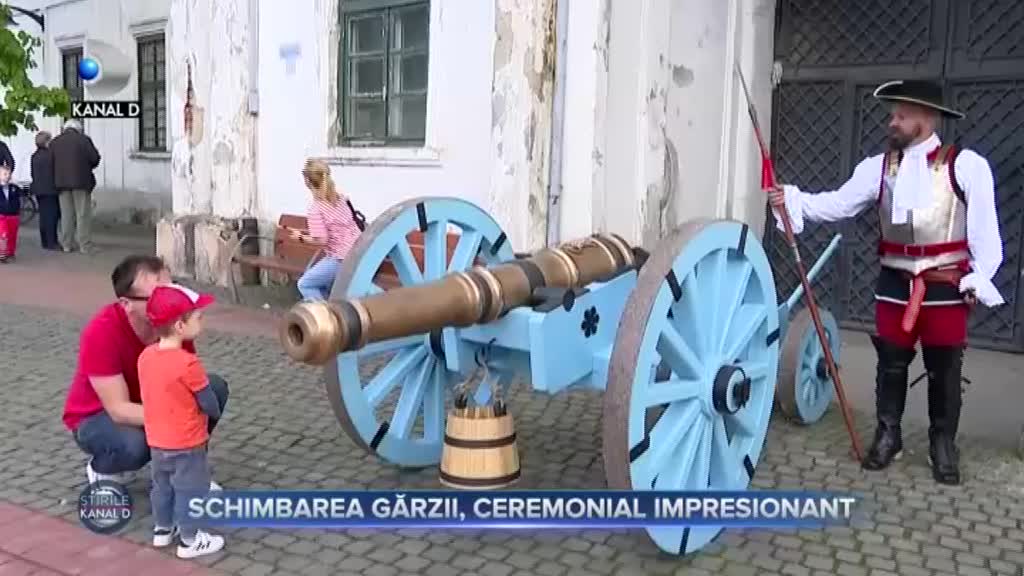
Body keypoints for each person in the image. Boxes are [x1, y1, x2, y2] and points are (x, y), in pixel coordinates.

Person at [767, 79, 1004, 485]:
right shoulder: (878, 167)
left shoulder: (966, 166)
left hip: (946, 283)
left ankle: (942, 444)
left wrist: (980, 278)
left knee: (945, 367)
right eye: (893, 114)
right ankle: (888, 435)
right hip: (894, 282)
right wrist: (792, 199)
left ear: (927, 118)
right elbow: (838, 204)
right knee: (891, 362)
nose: (892, 122)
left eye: (902, 115)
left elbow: (986, 233)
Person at [61, 255, 228, 487]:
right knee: (135, 446)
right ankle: (103, 468)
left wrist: (185, 418)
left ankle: (187, 472)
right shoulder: (101, 332)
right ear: (126, 304)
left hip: (151, 401)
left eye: (172, 290)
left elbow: (184, 378)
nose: (170, 301)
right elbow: (119, 409)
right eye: (157, 296)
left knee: (212, 390)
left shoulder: (174, 321)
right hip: (97, 416)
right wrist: (179, 417)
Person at [139, 284, 226, 558]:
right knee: (191, 489)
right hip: (187, 442)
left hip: (157, 440)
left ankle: (162, 529)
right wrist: (212, 414)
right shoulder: (188, 363)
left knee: (162, 486)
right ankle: (190, 540)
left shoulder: (145, 357)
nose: (202, 320)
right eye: (197, 317)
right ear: (179, 326)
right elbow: (208, 400)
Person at [289, 158, 362, 300]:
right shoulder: (342, 199)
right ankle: (331, 306)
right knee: (324, 284)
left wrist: (300, 237)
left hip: (341, 259)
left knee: (305, 284)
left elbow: (322, 240)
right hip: (358, 252)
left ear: (307, 181)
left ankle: (325, 312)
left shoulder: (316, 209)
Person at [49, 119, 101, 254]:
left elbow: (50, 163)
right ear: (79, 129)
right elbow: (95, 158)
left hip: (61, 183)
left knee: (66, 215)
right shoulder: (84, 140)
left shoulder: (55, 142)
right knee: (82, 214)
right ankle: (85, 245)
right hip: (81, 182)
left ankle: (67, 244)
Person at [31, 131, 61, 251]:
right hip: (50, 189)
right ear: (47, 141)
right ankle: (51, 242)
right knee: (51, 217)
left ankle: (44, 241)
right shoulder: (51, 155)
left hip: (38, 189)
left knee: (43, 216)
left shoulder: (34, 156)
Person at [0, 162, 23, 263]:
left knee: (12, 235)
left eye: (9, 174)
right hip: (1, 216)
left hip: (13, 216)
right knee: (3, 234)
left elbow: (23, 194)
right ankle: (2, 254)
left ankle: (10, 252)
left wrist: (17, 184)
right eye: (4, 174)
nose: (7, 176)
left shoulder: (14, 188)